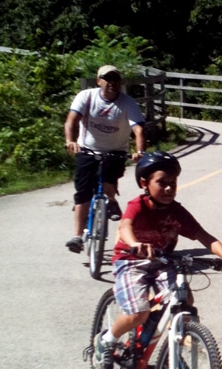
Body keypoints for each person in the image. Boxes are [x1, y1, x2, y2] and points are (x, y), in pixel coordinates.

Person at [92, 151, 222, 369]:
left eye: (173, 183)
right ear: (144, 183)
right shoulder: (138, 205)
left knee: (185, 303)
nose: (169, 188)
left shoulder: (177, 211)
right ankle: (107, 339)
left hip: (162, 262)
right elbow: (125, 227)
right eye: (162, 183)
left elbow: (204, 236)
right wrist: (135, 244)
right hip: (131, 261)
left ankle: (173, 357)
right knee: (137, 314)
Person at [64, 65, 146, 253]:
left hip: (115, 151)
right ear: (98, 81)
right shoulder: (86, 97)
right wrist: (70, 141)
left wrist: (139, 151)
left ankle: (111, 200)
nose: (112, 83)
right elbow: (71, 121)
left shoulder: (128, 103)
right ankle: (77, 236)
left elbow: (138, 129)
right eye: (107, 79)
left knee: (109, 181)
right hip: (87, 149)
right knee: (83, 193)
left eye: (115, 79)